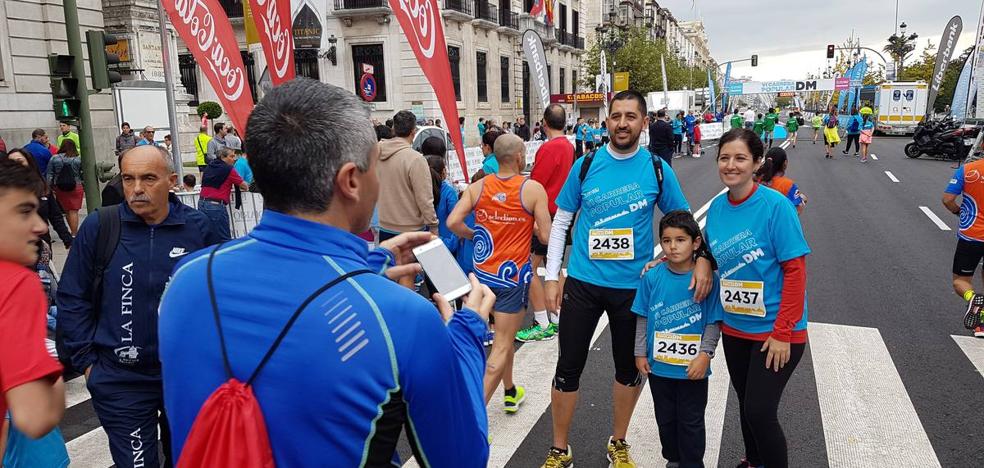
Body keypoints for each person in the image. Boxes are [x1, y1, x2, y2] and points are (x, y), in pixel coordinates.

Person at [158, 78, 494, 466]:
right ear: (351, 180)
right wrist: (468, 334)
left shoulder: (187, 280)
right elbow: (461, 459)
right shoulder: (403, 318)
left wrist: (365, 265)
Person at [540, 90, 714, 468]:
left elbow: (682, 220)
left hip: (632, 291)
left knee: (628, 369)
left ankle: (618, 442)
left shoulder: (655, 169)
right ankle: (559, 449)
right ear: (607, 122)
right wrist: (552, 277)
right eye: (616, 116)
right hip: (584, 284)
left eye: (630, 116)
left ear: (643, 123)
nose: (622, 123)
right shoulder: (586, 165)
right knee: (567, 369)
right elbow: (561, 223)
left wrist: (701, 258)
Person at [57, 144, 222, 468]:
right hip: (121, 380)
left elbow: (219, 299)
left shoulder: (198, 228)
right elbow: (72, 295)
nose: (136, 189)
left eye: (148, 178)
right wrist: (89, 363)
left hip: (184, 379)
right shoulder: (100, 226)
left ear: (172, 180)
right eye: (128, 179)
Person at [706, 129, 810, 468]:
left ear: (757, 163)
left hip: (776, 332)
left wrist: (782, 332)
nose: (731, 165)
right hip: (736, 328)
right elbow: (708, 252)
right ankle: (753, 462)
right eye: (725, 157)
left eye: (740, 158)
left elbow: (795, 271)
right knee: (745, 403)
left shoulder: (776, 206)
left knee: (760, 411)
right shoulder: (718, 208)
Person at [448, 133, 552, 415]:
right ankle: (472, 417)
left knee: (498, 337)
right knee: (504, 345)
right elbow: (546, 234)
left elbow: (452, 221)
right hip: (512, 279)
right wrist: (523, 226)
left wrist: (474, 235)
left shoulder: (478, 187)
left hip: (481, 278)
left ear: (495, 156)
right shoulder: (532, 189)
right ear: (520, 157)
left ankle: (509, 390)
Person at [634, 210, 723, 468]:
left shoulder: (706, 280)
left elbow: (712, 321)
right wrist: (640, 352)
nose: (673, 246)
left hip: (692, 369)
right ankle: (673, 459)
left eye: (680, 240)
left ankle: (693, 463)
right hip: (659, 367)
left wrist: (705, 355)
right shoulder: (652, 277)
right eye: (666, 240)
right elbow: (642, 316)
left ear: (696, 243)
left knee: (691, 420)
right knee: (665, 419)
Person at [0, 158, 67, 445]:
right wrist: (52, 363)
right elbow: (36, 415)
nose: (40, 226)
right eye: (25, 212)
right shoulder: (15, 283)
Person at [520, 104, 575, 343]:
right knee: (554, 266)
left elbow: (536, 184)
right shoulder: (570, 146)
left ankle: (542, 320)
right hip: (563, 212)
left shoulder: (548, 148)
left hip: (545, 214)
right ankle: (559, 315)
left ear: (544, 122)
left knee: (527, 268)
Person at [377, 110, 439, 246]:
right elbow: (425, 198)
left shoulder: (377, 153)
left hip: (384, 226)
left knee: (390, 267)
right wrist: (433, 225)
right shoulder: (415, 159)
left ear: (394, 129)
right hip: (410, 229)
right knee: (412, 268)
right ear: (413, 131)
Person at [943, 157, 984, 338]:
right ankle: (981, 324)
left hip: (972, 235)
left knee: (961, 281)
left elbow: (947, 199)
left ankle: (972, 299)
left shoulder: (968, 170)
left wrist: (958, 211)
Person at [3, 149, 72, 249]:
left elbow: (55, 216)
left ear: (29, 163)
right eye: (11, 163)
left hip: (41, 246)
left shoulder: (42, 187)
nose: (15, 166)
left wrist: (68, 240)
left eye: (20, 161)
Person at [199, 147, 249, 241]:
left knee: (208, 239)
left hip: (202, 203)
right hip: (216, 206)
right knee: (224, 240)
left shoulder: (209, 166)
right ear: (223, 157)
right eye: (231, 156)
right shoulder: (229, 169)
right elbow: (244, 186)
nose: (234, 159)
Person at [47, 139, 84, 235]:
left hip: (60, 187)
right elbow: (83, 173)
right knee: (74, 211)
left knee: (67, 210)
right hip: (76, 185)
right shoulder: (78, 159)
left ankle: (72, 231)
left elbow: (50, 174)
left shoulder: (54, 158)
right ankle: (74, 233)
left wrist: (50, 187)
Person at [756, 147, 807, 214]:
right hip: (777, 221)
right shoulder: (788, 185)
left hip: (756, 218)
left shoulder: (756, 179)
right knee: (803, 198)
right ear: (785, 163)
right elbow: (797, 209)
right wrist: (802, 201)